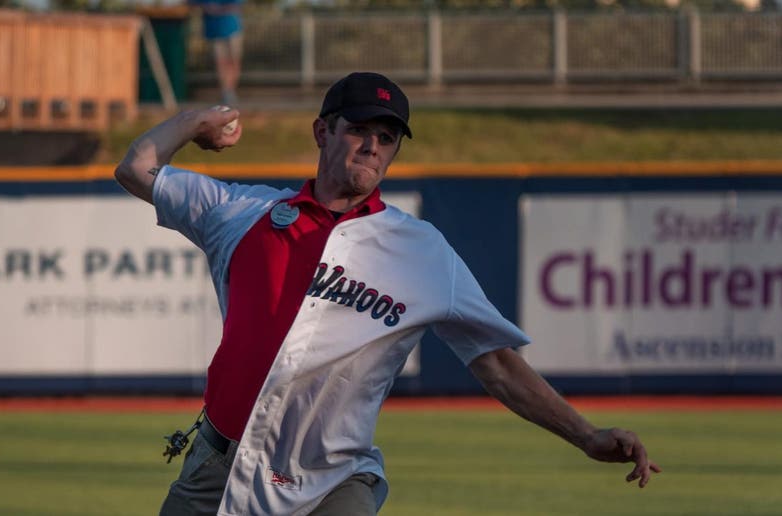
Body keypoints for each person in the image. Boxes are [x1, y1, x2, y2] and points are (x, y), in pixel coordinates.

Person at [114, 72, 661, 516]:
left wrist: (586, 435)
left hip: (332, 483)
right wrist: (194, 123)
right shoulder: (243, 212)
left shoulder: (421, 252)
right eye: (360, 129)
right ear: (322, 131)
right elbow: (137, 167)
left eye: (388, 136)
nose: (373, 145)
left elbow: (496, 363)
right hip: (218, 464)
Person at [190, 0, 244, 105]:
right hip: (215, 31)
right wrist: (208, 7)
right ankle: (226, 92)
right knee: (220, 62)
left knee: (234, 61)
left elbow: (236, 5)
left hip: (233, 29)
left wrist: (217, 10)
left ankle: (230, 90)